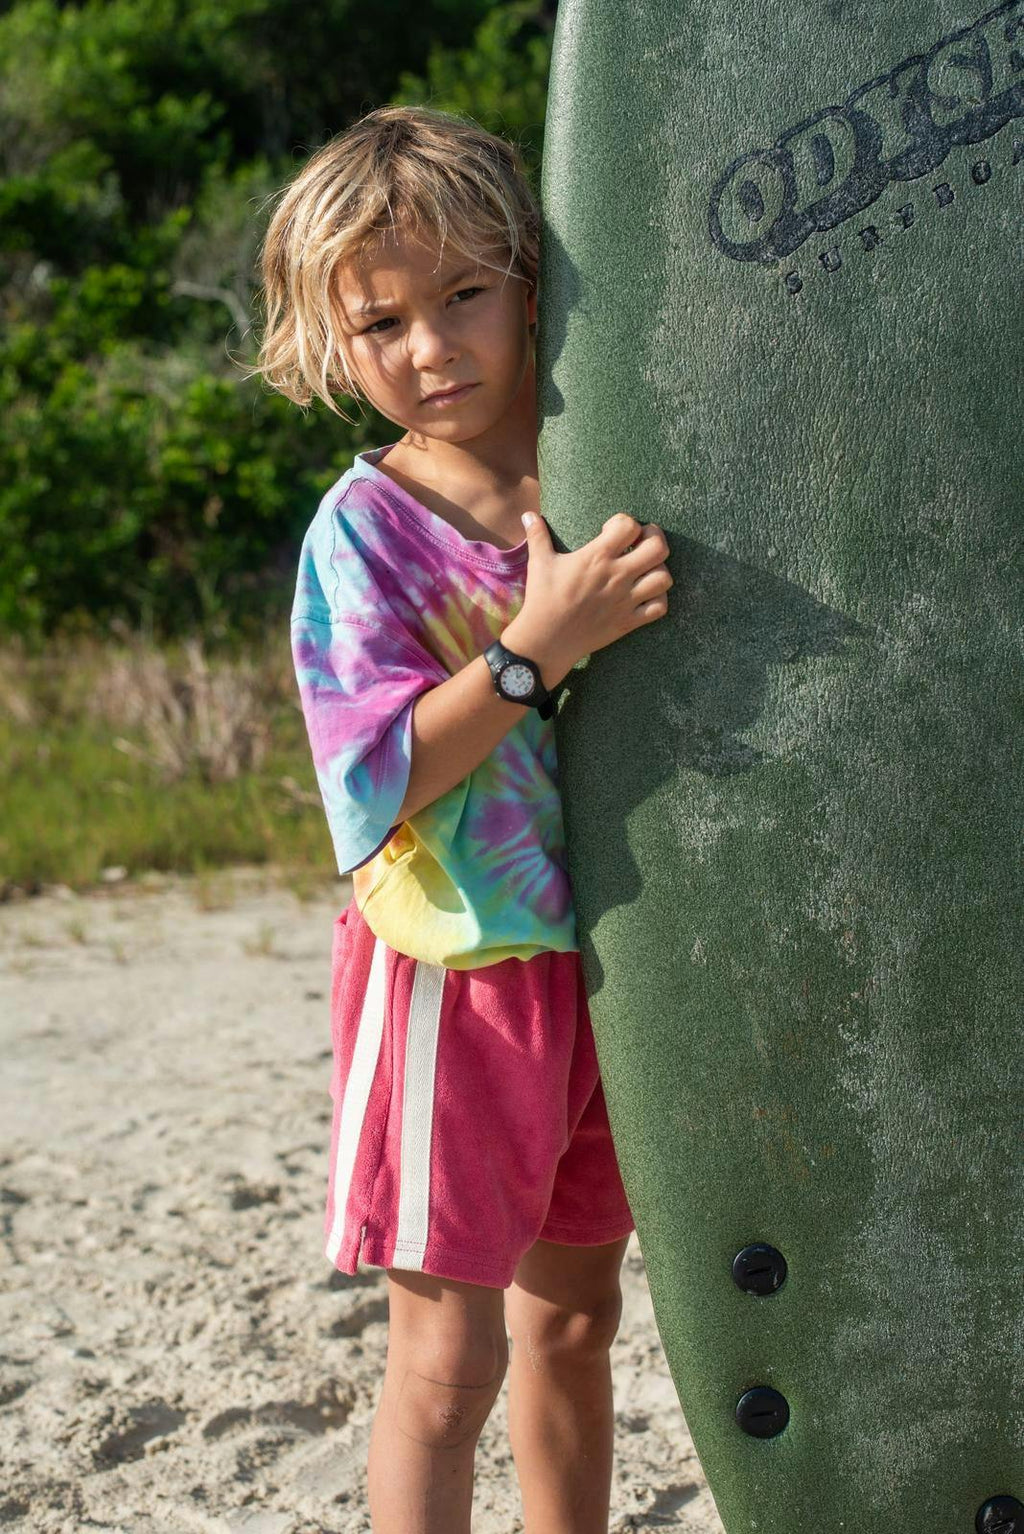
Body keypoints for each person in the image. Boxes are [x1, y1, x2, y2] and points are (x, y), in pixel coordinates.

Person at [251, 103, 673, 1534]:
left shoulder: (611, 469)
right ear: (332, 341)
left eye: (464, 296)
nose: (430, 350)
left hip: (617, 967)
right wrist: (533, 648)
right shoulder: (364, 532)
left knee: (577, 1326)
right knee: (447, 1366)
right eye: (382, 323)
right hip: (457, 975)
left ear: (532, 279)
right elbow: (368, 779)